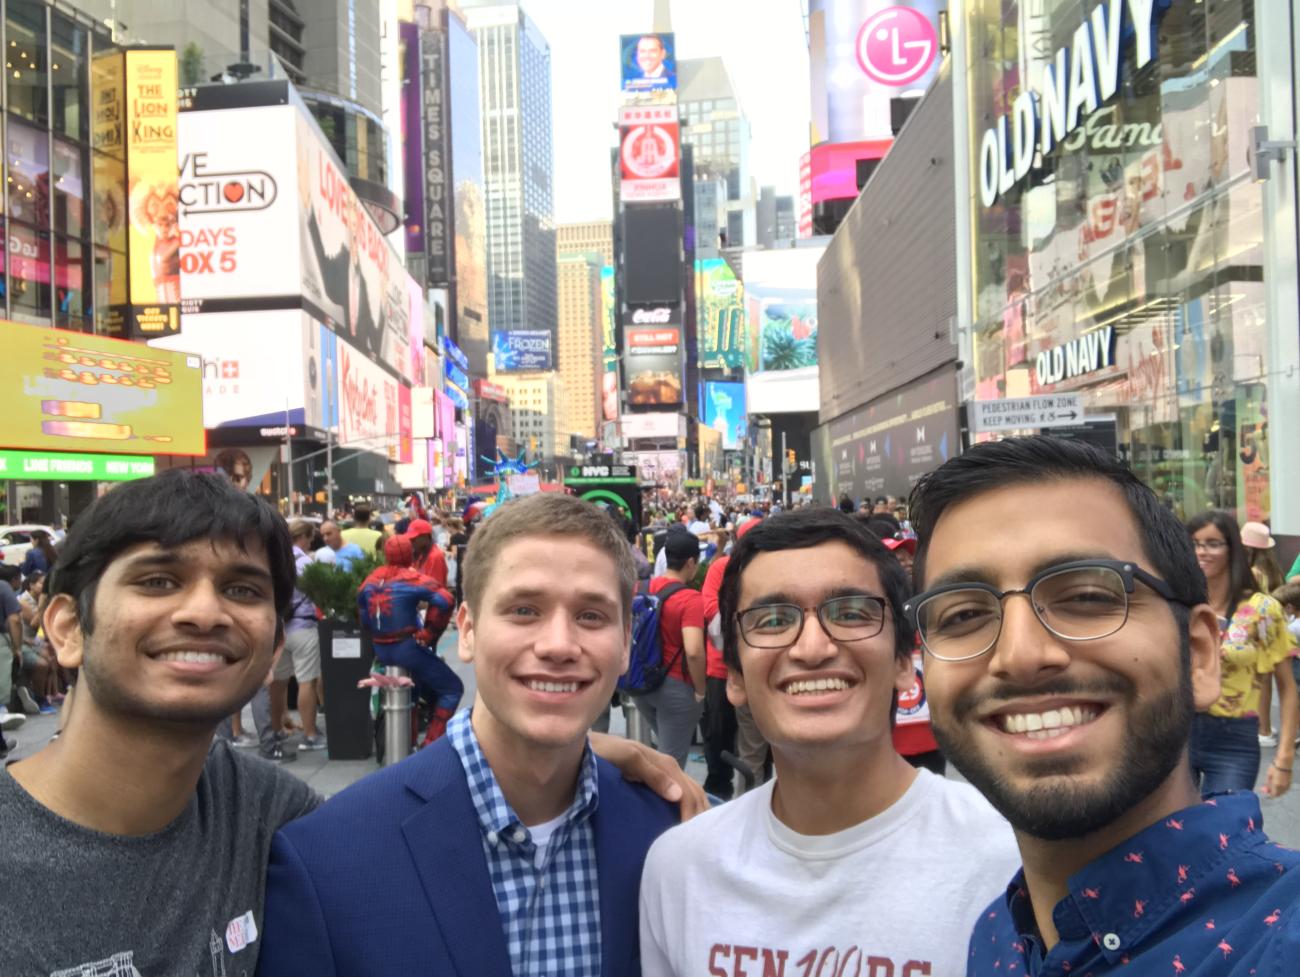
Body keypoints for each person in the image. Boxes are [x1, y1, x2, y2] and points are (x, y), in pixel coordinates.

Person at [907, 435, 1300, 974]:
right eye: (963, 616)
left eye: (1088, 597)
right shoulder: (997, 939)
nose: (1020, 656)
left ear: (1200, 656)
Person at [258, 493, 682, 975]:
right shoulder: (326, 859)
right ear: (467, 631)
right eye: (524, 610)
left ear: (625, 644)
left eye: (591, 616)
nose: (559, 645)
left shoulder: (671, 836)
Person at [639, 509, 1020, 976]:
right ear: (734, 675)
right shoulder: (679, 869)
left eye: (851, 613)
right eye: (774, 619)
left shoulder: (1012, 861)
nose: (813, 648)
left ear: (905, 660)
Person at [0, 470, 323, 975]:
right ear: (67, 629)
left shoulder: (278, 817)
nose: (204, 613)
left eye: (241, 590)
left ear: (273, 649)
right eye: (157, 581)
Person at [1185, 510, 1297, 791]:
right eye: (1195, 544)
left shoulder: (1262, 609)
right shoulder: (1177, 604)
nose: (1202, 552)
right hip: (1176, 736)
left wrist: (1284, 758)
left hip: (1233, 740)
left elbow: (1287, 687)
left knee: (1226, 827)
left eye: (1213, 543)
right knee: (1177, 832)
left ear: (1233, 549)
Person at [358, 534, 462, 745]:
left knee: (412, 693)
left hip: (381, 648)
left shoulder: (370, 580)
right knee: (452, 689)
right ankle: (431, 743)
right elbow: (446, 600)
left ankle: (409, 743)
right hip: (407, 648)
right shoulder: (411, 578)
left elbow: (363, 614)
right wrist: (430, 632)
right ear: (411, 554)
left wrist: (377, 632)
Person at [637, 528, 706, 769]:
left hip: (642, 683)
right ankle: (663, 807)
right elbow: (694, 650)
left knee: (662, 756)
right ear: (690, 562)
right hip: (676, 687)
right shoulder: (690, 599)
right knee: (671, 767)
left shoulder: (643, 587)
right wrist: (701, 689)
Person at [268, 520, 326, 751]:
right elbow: (319, 594)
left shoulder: (274, 561)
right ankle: (310, 735)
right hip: (303, 628)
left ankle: (276, 730)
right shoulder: (305, 563)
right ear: (303, 537)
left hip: (279, 630)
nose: (311, 542)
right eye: (310, 537)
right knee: (307, 682)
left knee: (277, 683)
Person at [1242, 520, 1289, 743]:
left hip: (1257, 627)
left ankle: (1263, 729)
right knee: (1268, 679)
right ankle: (1267, 727)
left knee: (1259, 681)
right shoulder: (1274, 569)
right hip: (1273, 627)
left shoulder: (1253, 572)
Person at [405, 517, 449, 587]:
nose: (411, 542)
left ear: (426, 536)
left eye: (414, 539)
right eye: (410, 539)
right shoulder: (420, 554)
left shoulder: (435, 557)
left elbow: (434, 588)